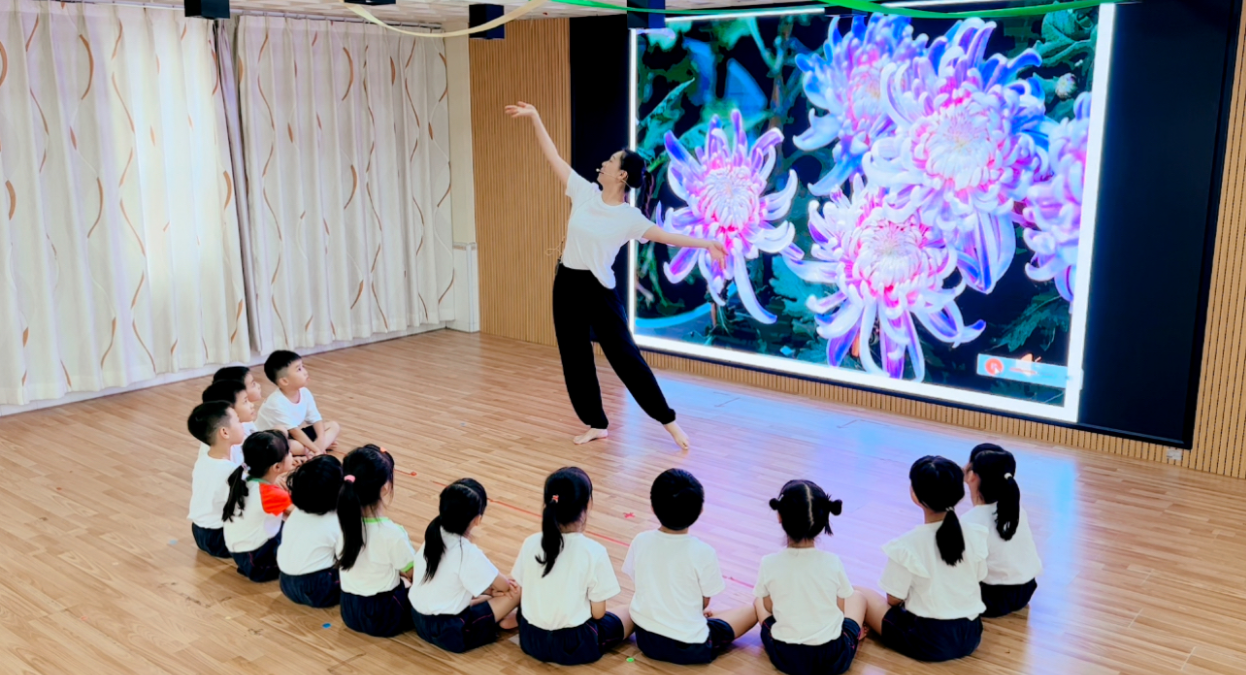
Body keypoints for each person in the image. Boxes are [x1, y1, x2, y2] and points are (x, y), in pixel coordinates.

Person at [505, 101, 727, 451]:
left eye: (611, 161)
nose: (605, 163)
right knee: (574, 358)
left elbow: (668, 236)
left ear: (622, 175)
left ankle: (669, 422)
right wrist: (535, 117)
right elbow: (553, 157)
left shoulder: (629, 217)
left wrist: (707, 243)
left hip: (598, 291)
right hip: (567, 284)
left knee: (625, 357)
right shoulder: (585, 193)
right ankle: (596, 423)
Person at [857, 456, 989, 662]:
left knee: (859, 593)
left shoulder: (907, 545)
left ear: (915, 495)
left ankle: (846, 635)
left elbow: (893, 599)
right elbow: (980, 576)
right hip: (971, 635)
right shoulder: (975, 533)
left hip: (928, 640)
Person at [624, 469, 756, 665]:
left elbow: (642, 585)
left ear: (652, 507)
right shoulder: (703, 552)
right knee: (754, 609)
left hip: (647, 640)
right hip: (691, 647)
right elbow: (704, 602)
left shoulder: (640, 540)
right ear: (700, 511)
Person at [511, 467, 632, 665]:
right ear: (588, 504)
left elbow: (523, 591)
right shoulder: (594, 551)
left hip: (531, 639)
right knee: (631, 611)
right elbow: (598, 613)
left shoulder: (530, 542)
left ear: (548, 503)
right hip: (574, 645)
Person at [755, 480, 863, 675]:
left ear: (779, 516)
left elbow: (770, 608)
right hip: (832, 657)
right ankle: (856, 635)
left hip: (788, 657)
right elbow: (840, 610)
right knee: (858, 597)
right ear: (824, 519)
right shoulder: (833, 562)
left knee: (758, 602)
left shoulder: (768, 562)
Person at [410, 479, 521, 653]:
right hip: (453, 632)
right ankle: (517, 618)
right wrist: (499, 589)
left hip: (419, 621)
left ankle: (502, 612)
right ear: (477, 519)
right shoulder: (466, 552)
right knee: (517, 587)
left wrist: (491, 591)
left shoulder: (433, 536)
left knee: (488, 590)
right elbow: (505, 586)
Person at [336, 445, 417, 637]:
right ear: (385, 488)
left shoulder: (340, 523)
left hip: (349, 610)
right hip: (384, 616)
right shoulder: (392, 533)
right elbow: (415, 574)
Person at [964, 443, 1042, 617]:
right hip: (1027, 590)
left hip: (993, 597)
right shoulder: (1015, 510)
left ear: (972, 477)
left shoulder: (971, 520)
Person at [223, 431, 295, 582]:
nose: (292, 455)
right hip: (258, 562)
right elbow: (305, 515)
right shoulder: (270, 494)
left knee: (286, 524)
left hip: (242, 552)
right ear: (276, 467)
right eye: (288, 452)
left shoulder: (244, 475)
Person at [277, 455, 344, 607]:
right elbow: (346, 558)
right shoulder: (336, 521)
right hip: (318, 587)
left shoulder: (297, 513)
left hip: (285, 583)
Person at [186, 401, 249, 558]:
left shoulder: (203, 461)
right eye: (237, 421)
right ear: (225, 432)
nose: (241, 424)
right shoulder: (231, 471)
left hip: (198, 532)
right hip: (221, 538)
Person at [255, 351, 341, 456]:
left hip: (292, 435)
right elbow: (295, 432)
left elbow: (316, 419)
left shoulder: (304, 392)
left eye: (303, 366)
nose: (305, 372)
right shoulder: (276, 402)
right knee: (293, 446)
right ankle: (314, 452)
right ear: (284, 381)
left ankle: (314, 451)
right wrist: (316, 449)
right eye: (299, 369)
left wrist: (321, 440)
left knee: (333, 426)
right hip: (270, 442)